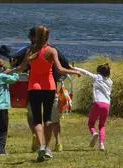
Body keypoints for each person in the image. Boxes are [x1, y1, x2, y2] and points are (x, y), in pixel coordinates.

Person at [15, 26, 81, 162]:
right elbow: (61, 69)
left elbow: (21, 67)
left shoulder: (30, 51)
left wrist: (7, 73)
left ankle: (41, 147)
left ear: (34, 37)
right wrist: (75, 72)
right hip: (49, 88)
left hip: (33, 88)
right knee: (48, 119)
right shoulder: (52, 51)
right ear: (47, 37)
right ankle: (47, 148)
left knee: (37, 120)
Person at [73, 63, 112, 151]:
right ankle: (101, 144)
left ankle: (94, 133)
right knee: (102, 125)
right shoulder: (110, 81)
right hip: (107, 105)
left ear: (99, 72)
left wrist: (74, 68)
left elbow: (86, 72)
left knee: (91, 123)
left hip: (98, 104)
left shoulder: (97, 77)